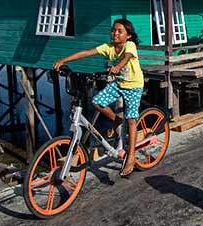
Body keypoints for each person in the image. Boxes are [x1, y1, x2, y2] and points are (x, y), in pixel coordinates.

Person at [53, 19, 144, 177]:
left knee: (131, 119)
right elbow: (86, 53)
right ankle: (116, 120)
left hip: (134, 86)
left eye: (119, 31)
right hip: (119, 84)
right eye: (113, 30)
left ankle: (131, 157)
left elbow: (127, 58)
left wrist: (117, 67)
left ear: (128, 36)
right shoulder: (108, 47)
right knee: (97, 102)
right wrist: (63, 60)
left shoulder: (130, 46)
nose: (115, 33)